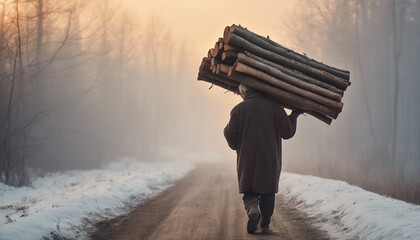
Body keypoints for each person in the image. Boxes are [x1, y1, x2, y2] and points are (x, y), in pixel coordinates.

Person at [223, 84, 303, 234]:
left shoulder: (238, 110)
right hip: (270, 160)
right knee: (267, 192)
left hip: (247, 161)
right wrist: (294, 116)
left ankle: (253, 210)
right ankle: (265, 222)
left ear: (244, 92)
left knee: (249, 193)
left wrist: (229, 135)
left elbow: (231, 137)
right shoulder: (275, 108)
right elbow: (287, 132)